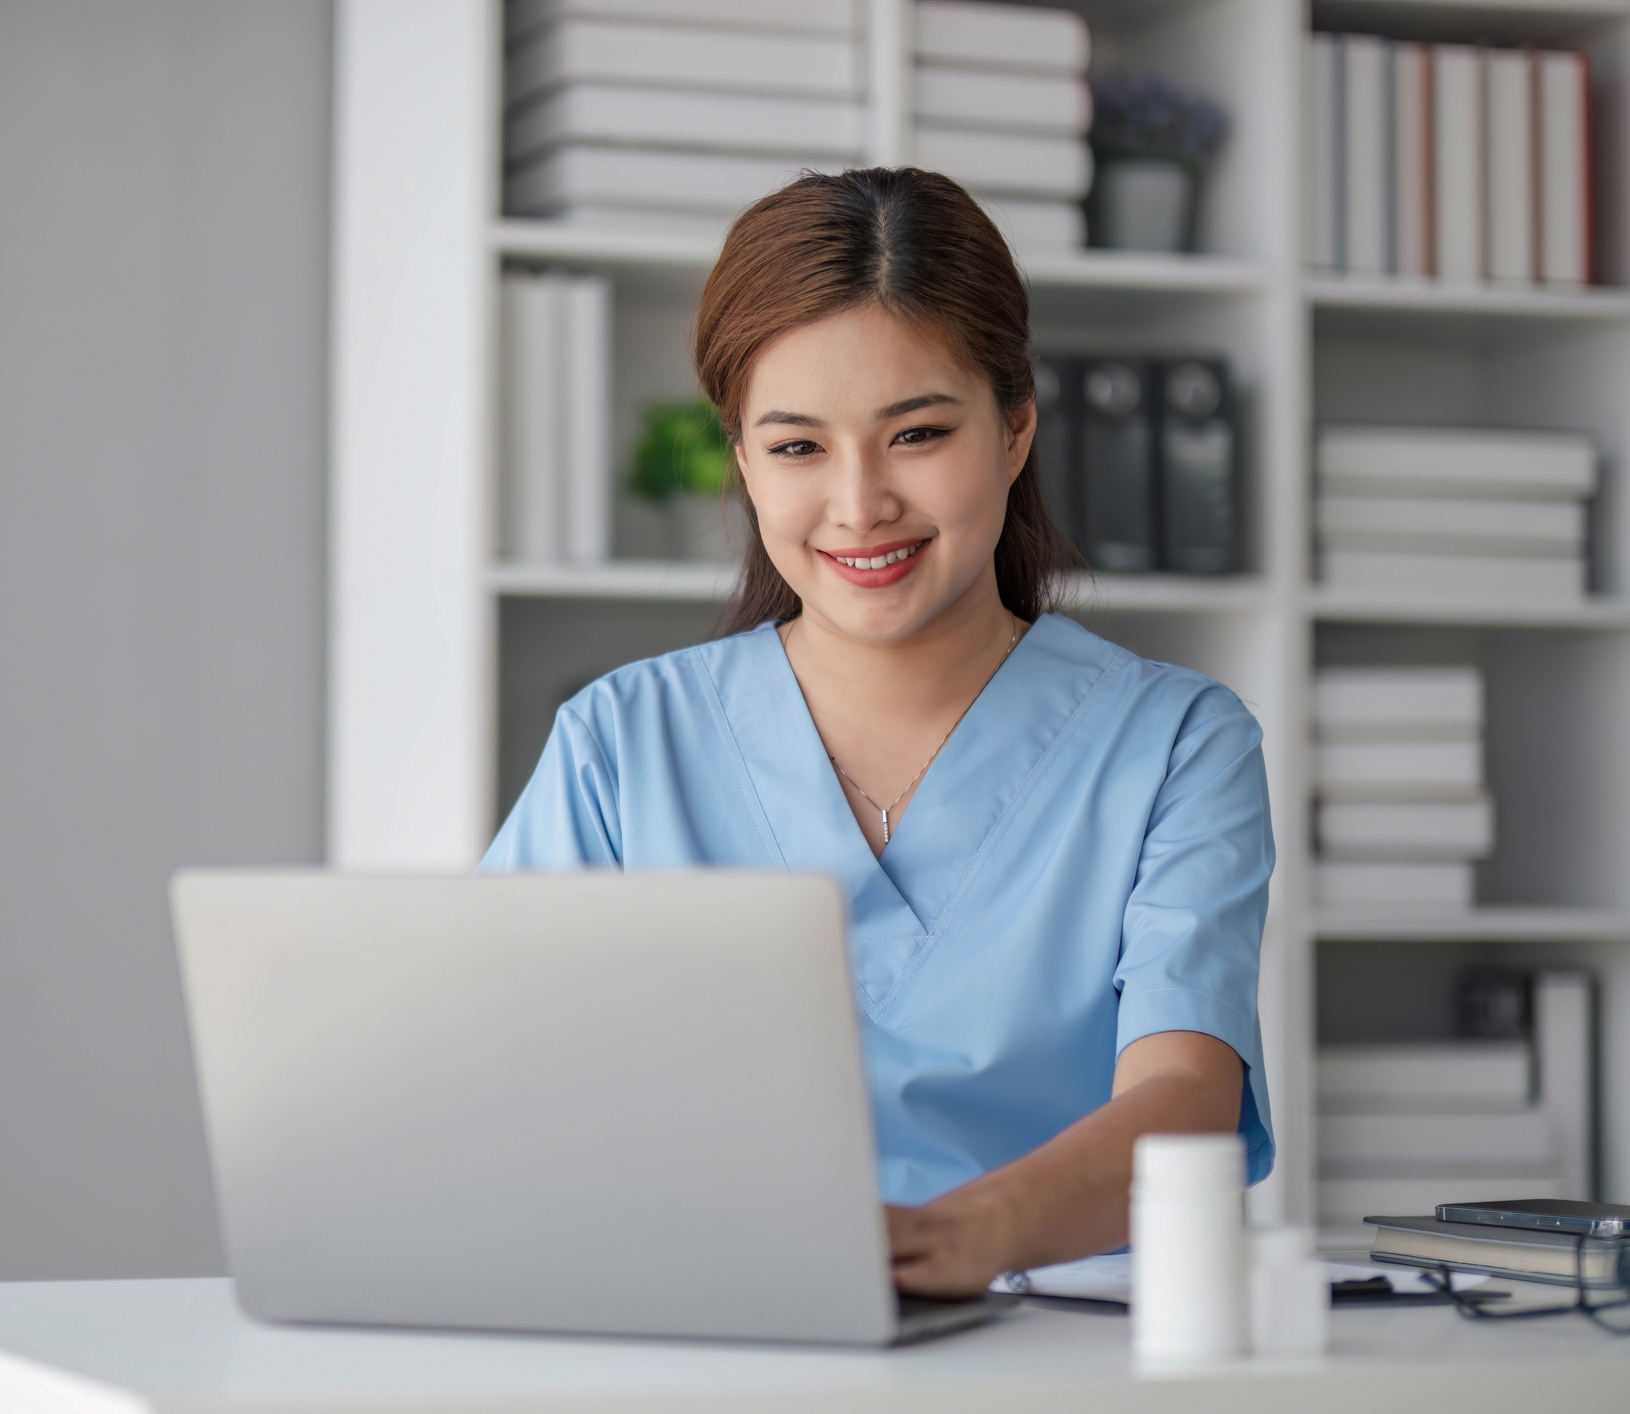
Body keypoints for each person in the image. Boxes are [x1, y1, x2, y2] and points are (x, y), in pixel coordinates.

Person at [483, 167, 1274, 1298]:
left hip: (1051, 1350)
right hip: (709, 1334)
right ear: (743, 460)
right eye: (797, 446)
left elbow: (1181, 1100)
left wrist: (969, 1236)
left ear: (1013, 431)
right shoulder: (622, 741)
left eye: (914, 433)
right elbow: (487, 1076)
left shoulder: (1177, 746)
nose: (859, 506)